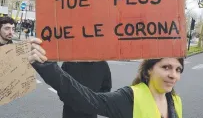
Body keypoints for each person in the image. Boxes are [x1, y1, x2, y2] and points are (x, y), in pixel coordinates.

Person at [28, 38, 184, 118]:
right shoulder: (129, 97)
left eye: (178, 69)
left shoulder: (176, 100)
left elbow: (105, 87)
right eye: (166, 67)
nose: (173, 75)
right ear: (150, 69)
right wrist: (47, 66)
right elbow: (90, 99)